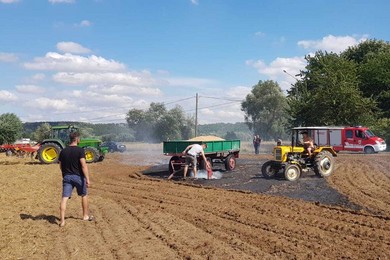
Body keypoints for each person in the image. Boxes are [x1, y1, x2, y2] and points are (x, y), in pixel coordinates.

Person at [58, 132, 93, 227]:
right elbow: (83, 165)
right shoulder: (80, 150)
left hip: (67, 177)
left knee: (64, 198)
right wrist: (87, 179)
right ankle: (85, 216)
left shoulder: (63, 151)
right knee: (84, 195)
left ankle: (62, 221)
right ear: (77, 139)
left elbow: (60, 165)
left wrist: (64, 175)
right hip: (78, 177)